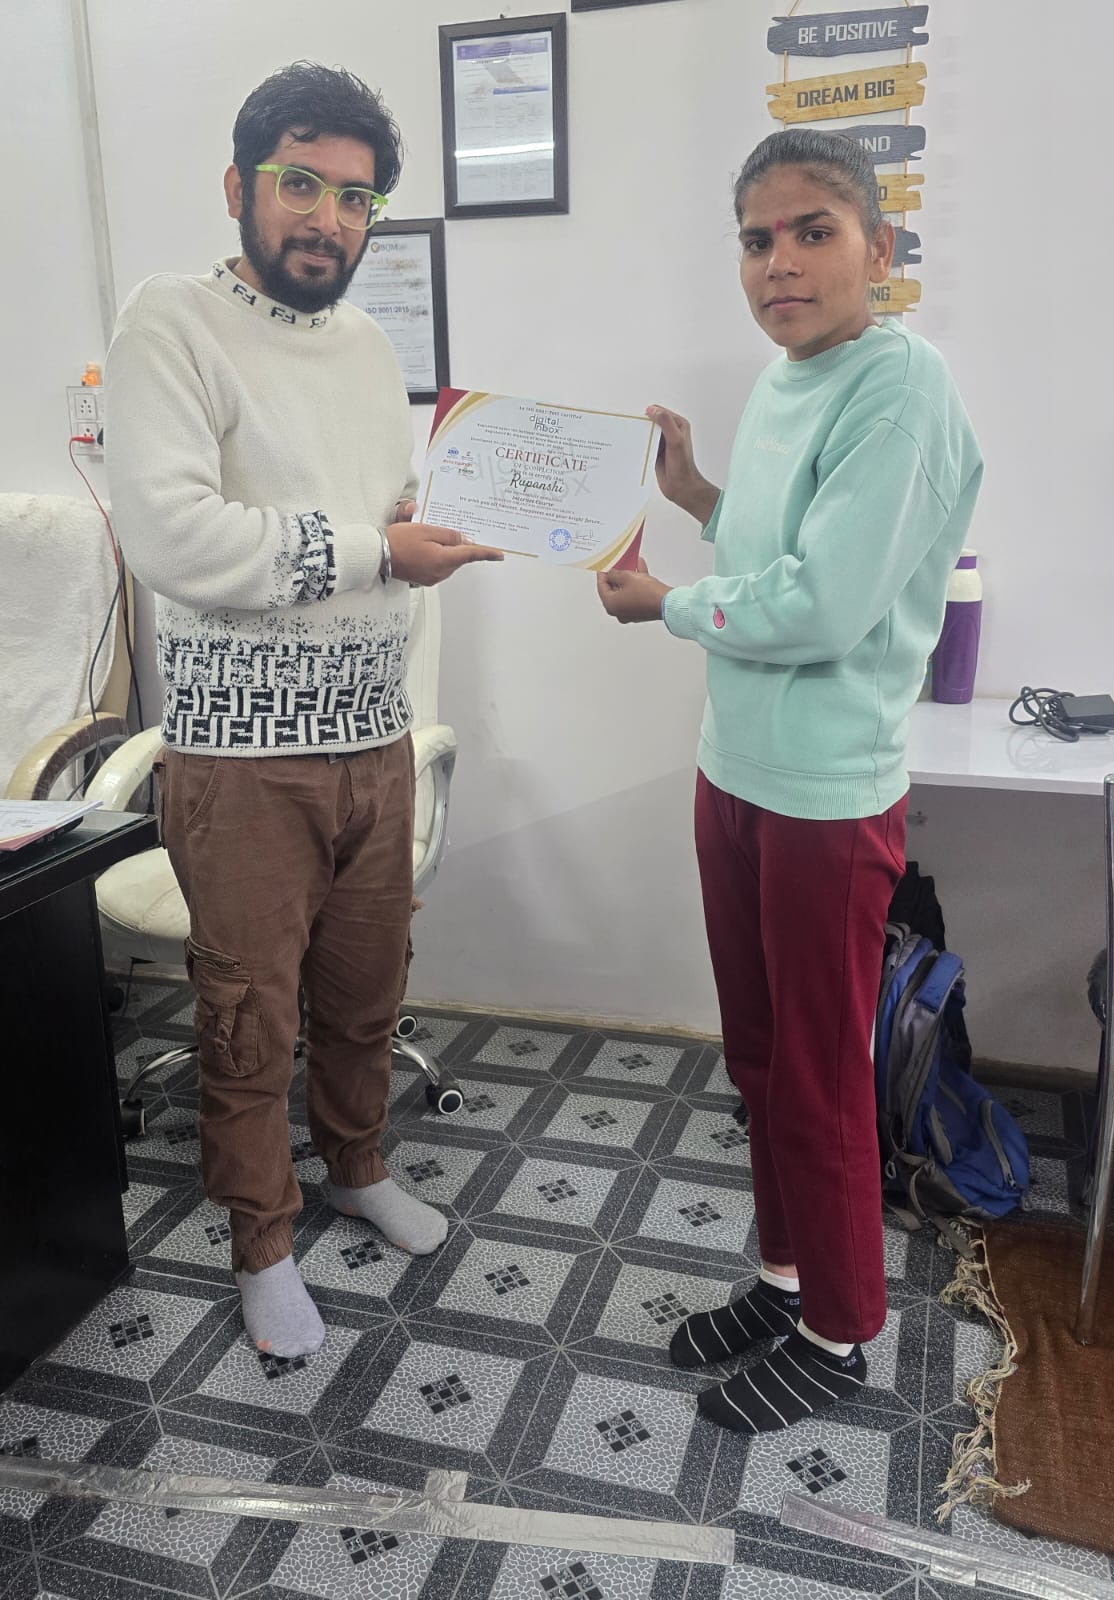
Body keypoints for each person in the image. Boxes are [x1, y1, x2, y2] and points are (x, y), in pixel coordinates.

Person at [105, 63, 502, 1360]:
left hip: (376, 741)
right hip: (241, 762)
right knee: (247, 1017)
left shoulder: (372, 348)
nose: (329, 218)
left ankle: (357, 1165)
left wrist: (433, 518)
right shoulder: (171, 321)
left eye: (356, 198)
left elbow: (374, 516)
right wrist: (382, 548)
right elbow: (176, 538)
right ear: (240, 184)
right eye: (300, 184)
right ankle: (260, 1240)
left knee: (363, 994)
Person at [596, 127, 982, 1432]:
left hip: (824, 793)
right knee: (759, 1057)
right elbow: (777, 544)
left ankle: (841, 1327)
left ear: (881, 244)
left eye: (815, 231)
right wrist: (695, 492)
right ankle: (783, 1276)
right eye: (758, 240)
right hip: (735, 770)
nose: (781, 263)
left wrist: (665, 603)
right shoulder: (786, 380)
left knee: (817, 1070)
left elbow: (823, 603)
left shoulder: (901, 389)